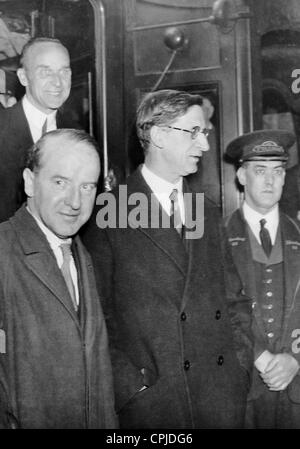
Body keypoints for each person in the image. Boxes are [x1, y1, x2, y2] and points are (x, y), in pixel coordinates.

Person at [83, 89, 253, 429]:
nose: (205, 146)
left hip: (219, 400)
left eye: (204, 133)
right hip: (155, 405)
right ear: (159, 135)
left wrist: (240, 366)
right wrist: (130, 386)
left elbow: (234, 299)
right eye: (194, 132)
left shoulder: (205, 209)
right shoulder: (110, 210)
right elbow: (95, 315)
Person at [0, 128, 117, 429]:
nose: (75, 202)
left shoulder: (83, 255)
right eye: (60, 182)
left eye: (87, 187)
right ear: (29, 182)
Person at [223, 129, 300, 428]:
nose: (270, 181)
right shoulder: (215, 238)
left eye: (277, 171)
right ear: (242, 176)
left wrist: (295, 358)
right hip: (242, 391)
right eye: (260, 171)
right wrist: (260, 357)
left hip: (296, 392)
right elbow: (213, 312)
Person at [0, 37, 78, 223]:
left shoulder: (77, 133)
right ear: (23, 77)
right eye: (46, 72)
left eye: (64, 72)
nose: (57, 82)